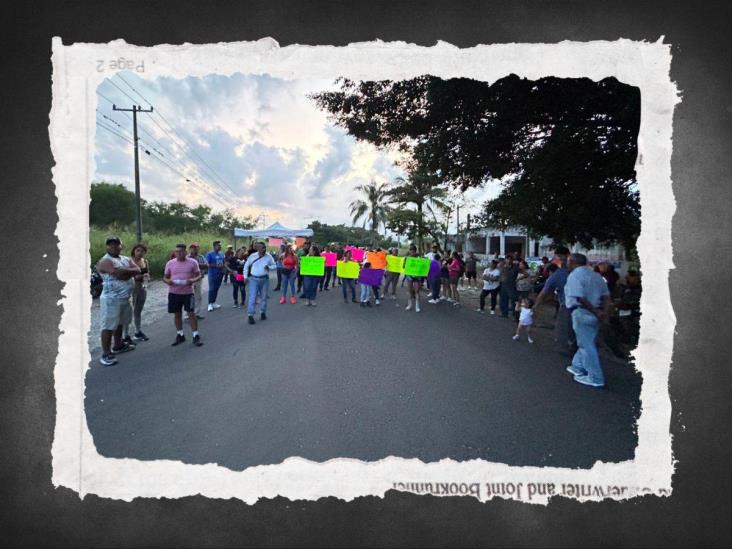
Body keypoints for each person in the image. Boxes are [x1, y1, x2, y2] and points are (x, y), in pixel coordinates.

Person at [564, 253, 611, 388]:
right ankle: (577, 366)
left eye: (568, 261)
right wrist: (603, 313)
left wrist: (597, 312)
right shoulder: (596, 276)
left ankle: (595, 377)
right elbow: (607, 296)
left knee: (586, 346)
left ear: (572, 262)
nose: (567, 264)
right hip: (595, 313)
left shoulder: (575, 276)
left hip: (582, 312)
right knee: (586, 341)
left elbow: (580, 298)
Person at [96, 236, 140, 366]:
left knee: (120, 323)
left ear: (121, 246)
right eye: (111, 245)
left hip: (125, 298)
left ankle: (118, 345)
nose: (114, 246)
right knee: (108, 326)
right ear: (107, 247)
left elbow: (138, 270)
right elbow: (118, 274)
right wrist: (127, 273)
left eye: (117, 244)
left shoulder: (126, 259)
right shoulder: (104, 261)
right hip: (111, 299)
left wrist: (123, 272)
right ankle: (106, 353)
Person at [531, 246, 573, 356]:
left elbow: (543, 293)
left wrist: (536, 306)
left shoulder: (558, 274)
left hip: (568, 304)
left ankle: (568, 351)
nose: (560, 259)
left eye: (559, 256)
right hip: (580, 304)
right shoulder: (578, 271)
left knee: (562, 328)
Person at [164, 244, 204, 347]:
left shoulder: (193, 262)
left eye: (181, 251)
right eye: (177, 251)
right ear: (175, 252)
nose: (179, 253)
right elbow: (165, 277)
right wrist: (168, 282)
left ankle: (195, 335)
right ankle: (180, 335)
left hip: (188, 293)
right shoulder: (170, 263)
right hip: (174, 293)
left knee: (191, 313)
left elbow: (199, 275)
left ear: (186, 252)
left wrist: (192, 280)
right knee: (177, 314)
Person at [243, 241, 277, 324]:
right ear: (258, 248)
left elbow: (275, 265)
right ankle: (250, 315)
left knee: (264, 297)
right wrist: (245, 277)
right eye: (262, 248)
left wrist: (269, 267)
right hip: (254, 279)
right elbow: (246, 266)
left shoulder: (268, 256)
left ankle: (262, 312)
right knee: (253, 297)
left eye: (264, 247)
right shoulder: (252, 256)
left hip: (264, 279)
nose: (264, 249)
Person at [129, 243, 150, 342]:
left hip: (142, 287)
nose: (140, 253)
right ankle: (126, 334)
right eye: (138, 250)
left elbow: (147, 273)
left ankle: (138, 331)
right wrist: (134, 277)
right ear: (134, 251)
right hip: (131, 288)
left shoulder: (145, 261)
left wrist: (146, 277)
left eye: (142, 251)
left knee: (138, 310)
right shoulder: (129, 261)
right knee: (129, 311)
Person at [186, 243, 207, 320]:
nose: (194, 249)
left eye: (196, 247)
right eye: (193, 248)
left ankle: (196, 313)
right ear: (190, 249)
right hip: (190, 279)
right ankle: (187, 316)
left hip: (199, 279)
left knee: (198, 297)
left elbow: (207, 265)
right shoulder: (187, 258)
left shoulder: (201, 257)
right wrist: (198, 265)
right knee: (189, 297)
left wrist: (196, 265)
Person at [205, 240, 225, 312]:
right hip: (212, 274)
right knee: (212, 289)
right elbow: (207, 264)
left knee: (216, 288)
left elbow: (224, 262)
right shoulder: (210, 254)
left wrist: (223, 267)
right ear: (214, 246)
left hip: (220, 274)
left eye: (220, 245)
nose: (220, 246)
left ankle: (213, 302)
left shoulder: (222, 254)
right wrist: (216, 266)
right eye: (218, 245)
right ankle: (209, 304)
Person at [403, 245, 423, 313]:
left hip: (417, 277)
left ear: (415, 251)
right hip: (409, 276)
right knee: (409, 291)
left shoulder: (419, 258)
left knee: (417, 291)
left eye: (413, 251)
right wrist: (405, 263)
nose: (412, 253)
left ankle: (417, 306)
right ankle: (409, 305)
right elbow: (403, 267)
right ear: (409, 251)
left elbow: (423, 266)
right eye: (411, 251)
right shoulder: (407, 258)